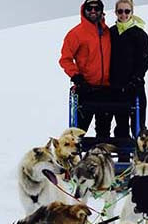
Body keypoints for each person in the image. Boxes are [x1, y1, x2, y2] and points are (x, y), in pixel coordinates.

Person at [59, 0, 112, 139]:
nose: (93, 11)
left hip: (106, 89)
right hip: (86, 89)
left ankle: (101, 159)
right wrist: (77, 77)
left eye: (97, 8)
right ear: (84, 10)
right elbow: (65, 59)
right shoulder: (76, 34)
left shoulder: (107, 33)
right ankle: (73, 159)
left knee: (104, 131)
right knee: (78, 132)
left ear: (102, 10)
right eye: (90, 8)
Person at [109, 0, 148, 140]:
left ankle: (141, 159)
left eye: (127, 11)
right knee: (121, 126)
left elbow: (143, 61)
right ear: (115, 12)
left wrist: (135, 79)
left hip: (134, 87)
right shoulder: (111, 33)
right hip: (116, 87)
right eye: (120, 11)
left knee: (138, 127)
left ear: (132, 12)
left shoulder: (140, 34)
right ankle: (123, 159)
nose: (123, 14)